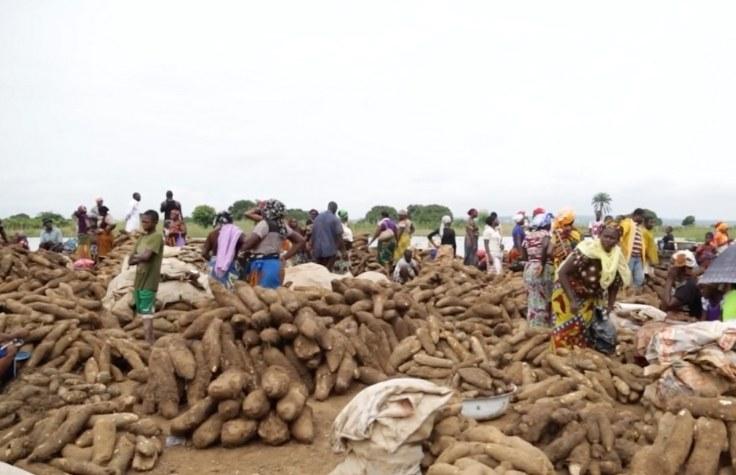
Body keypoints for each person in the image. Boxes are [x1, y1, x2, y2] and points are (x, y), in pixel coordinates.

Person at [551, 224, 631, 349]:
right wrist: (572, 300)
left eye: (612, 238)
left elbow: (614, 284)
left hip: (590, 296)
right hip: (567, 293)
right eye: (606, 236)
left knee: (583, 328)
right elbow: (562, 273)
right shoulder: (587, 251)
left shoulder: (617, 258)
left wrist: (610, 306)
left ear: (618, 240)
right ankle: (558, 356)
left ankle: (576, 358)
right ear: (600, 235)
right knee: (565, 328)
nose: (608, 240)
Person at [241, 199, 306, 288]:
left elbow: (248, 244)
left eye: (264, 209)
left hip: (262, 266)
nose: (262, 211)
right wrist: (285, 257)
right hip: (276, 265)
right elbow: (300, 241)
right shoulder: (282, 226)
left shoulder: (264, 224)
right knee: (273, 296)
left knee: (260, 295)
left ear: (268, 211)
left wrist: (240, 244)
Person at [128, 210, 164, 344]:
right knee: (143, 316)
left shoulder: (157, 237)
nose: (143, 224)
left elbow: (147, 256)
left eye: (146, 222)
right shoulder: (141, 238)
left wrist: (139, 257)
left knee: (147, 319)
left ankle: (151, 348)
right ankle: (149, 344)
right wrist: (139, 257)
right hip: (138, 282)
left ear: (155, 222)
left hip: (149, 283)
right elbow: (130, 260)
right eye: (142, 221)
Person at [522, 213, 553, 327]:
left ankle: (532, 326)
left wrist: (532, 260)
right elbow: (546, 247)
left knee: (533, 298)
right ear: (546, 224)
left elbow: (523, 254)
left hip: (529, 268)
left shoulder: (528, 235)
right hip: (544, 269)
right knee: (546, 298)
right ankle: (544, 327)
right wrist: (541, 263)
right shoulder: (547, 235)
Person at [202, 212, 246, 289]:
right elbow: (246, 243)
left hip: (214, 266)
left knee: (215, 290)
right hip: (231, 264)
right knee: (231, 292)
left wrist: (215, 261)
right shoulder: (236, 233)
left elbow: (204, 253)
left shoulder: (212, 234)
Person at [619, 209, 658, 290]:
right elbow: (620, 235)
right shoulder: (627, 223)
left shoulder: (640, 228)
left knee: (639, 278)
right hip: (629, 256)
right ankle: (623, 293)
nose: (642, 220)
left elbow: (646, 245)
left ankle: (634, 293)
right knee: (627, 277)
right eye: (642, 217)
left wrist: (651, 259)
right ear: (636, 215)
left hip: (638, 258)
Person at [659, 250, 702, 318]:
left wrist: (670, 279)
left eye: (672, 265)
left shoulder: (688, 285)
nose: (669, 267)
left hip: (690, 323)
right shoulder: (688, 281)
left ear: (682, 268)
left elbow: (667, 304)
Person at [310, 202, 346, 272]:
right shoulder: (335, 219)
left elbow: (313, 234)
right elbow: (339, 236)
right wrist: (343, 251)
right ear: (335, 209)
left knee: (319, 270)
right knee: (327, 271)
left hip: (317, 249)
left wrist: (312, 247)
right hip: (329, 250)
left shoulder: (317, 218)